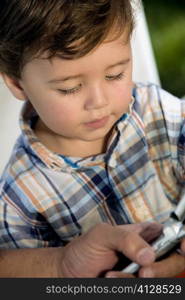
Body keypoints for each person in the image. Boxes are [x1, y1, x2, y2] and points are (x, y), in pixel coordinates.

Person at [0, 0, 185, 278]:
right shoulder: (20, 199)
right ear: (16, 83)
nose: (98, 102)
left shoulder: (154, 108)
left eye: (115, 74)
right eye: (70, 88)